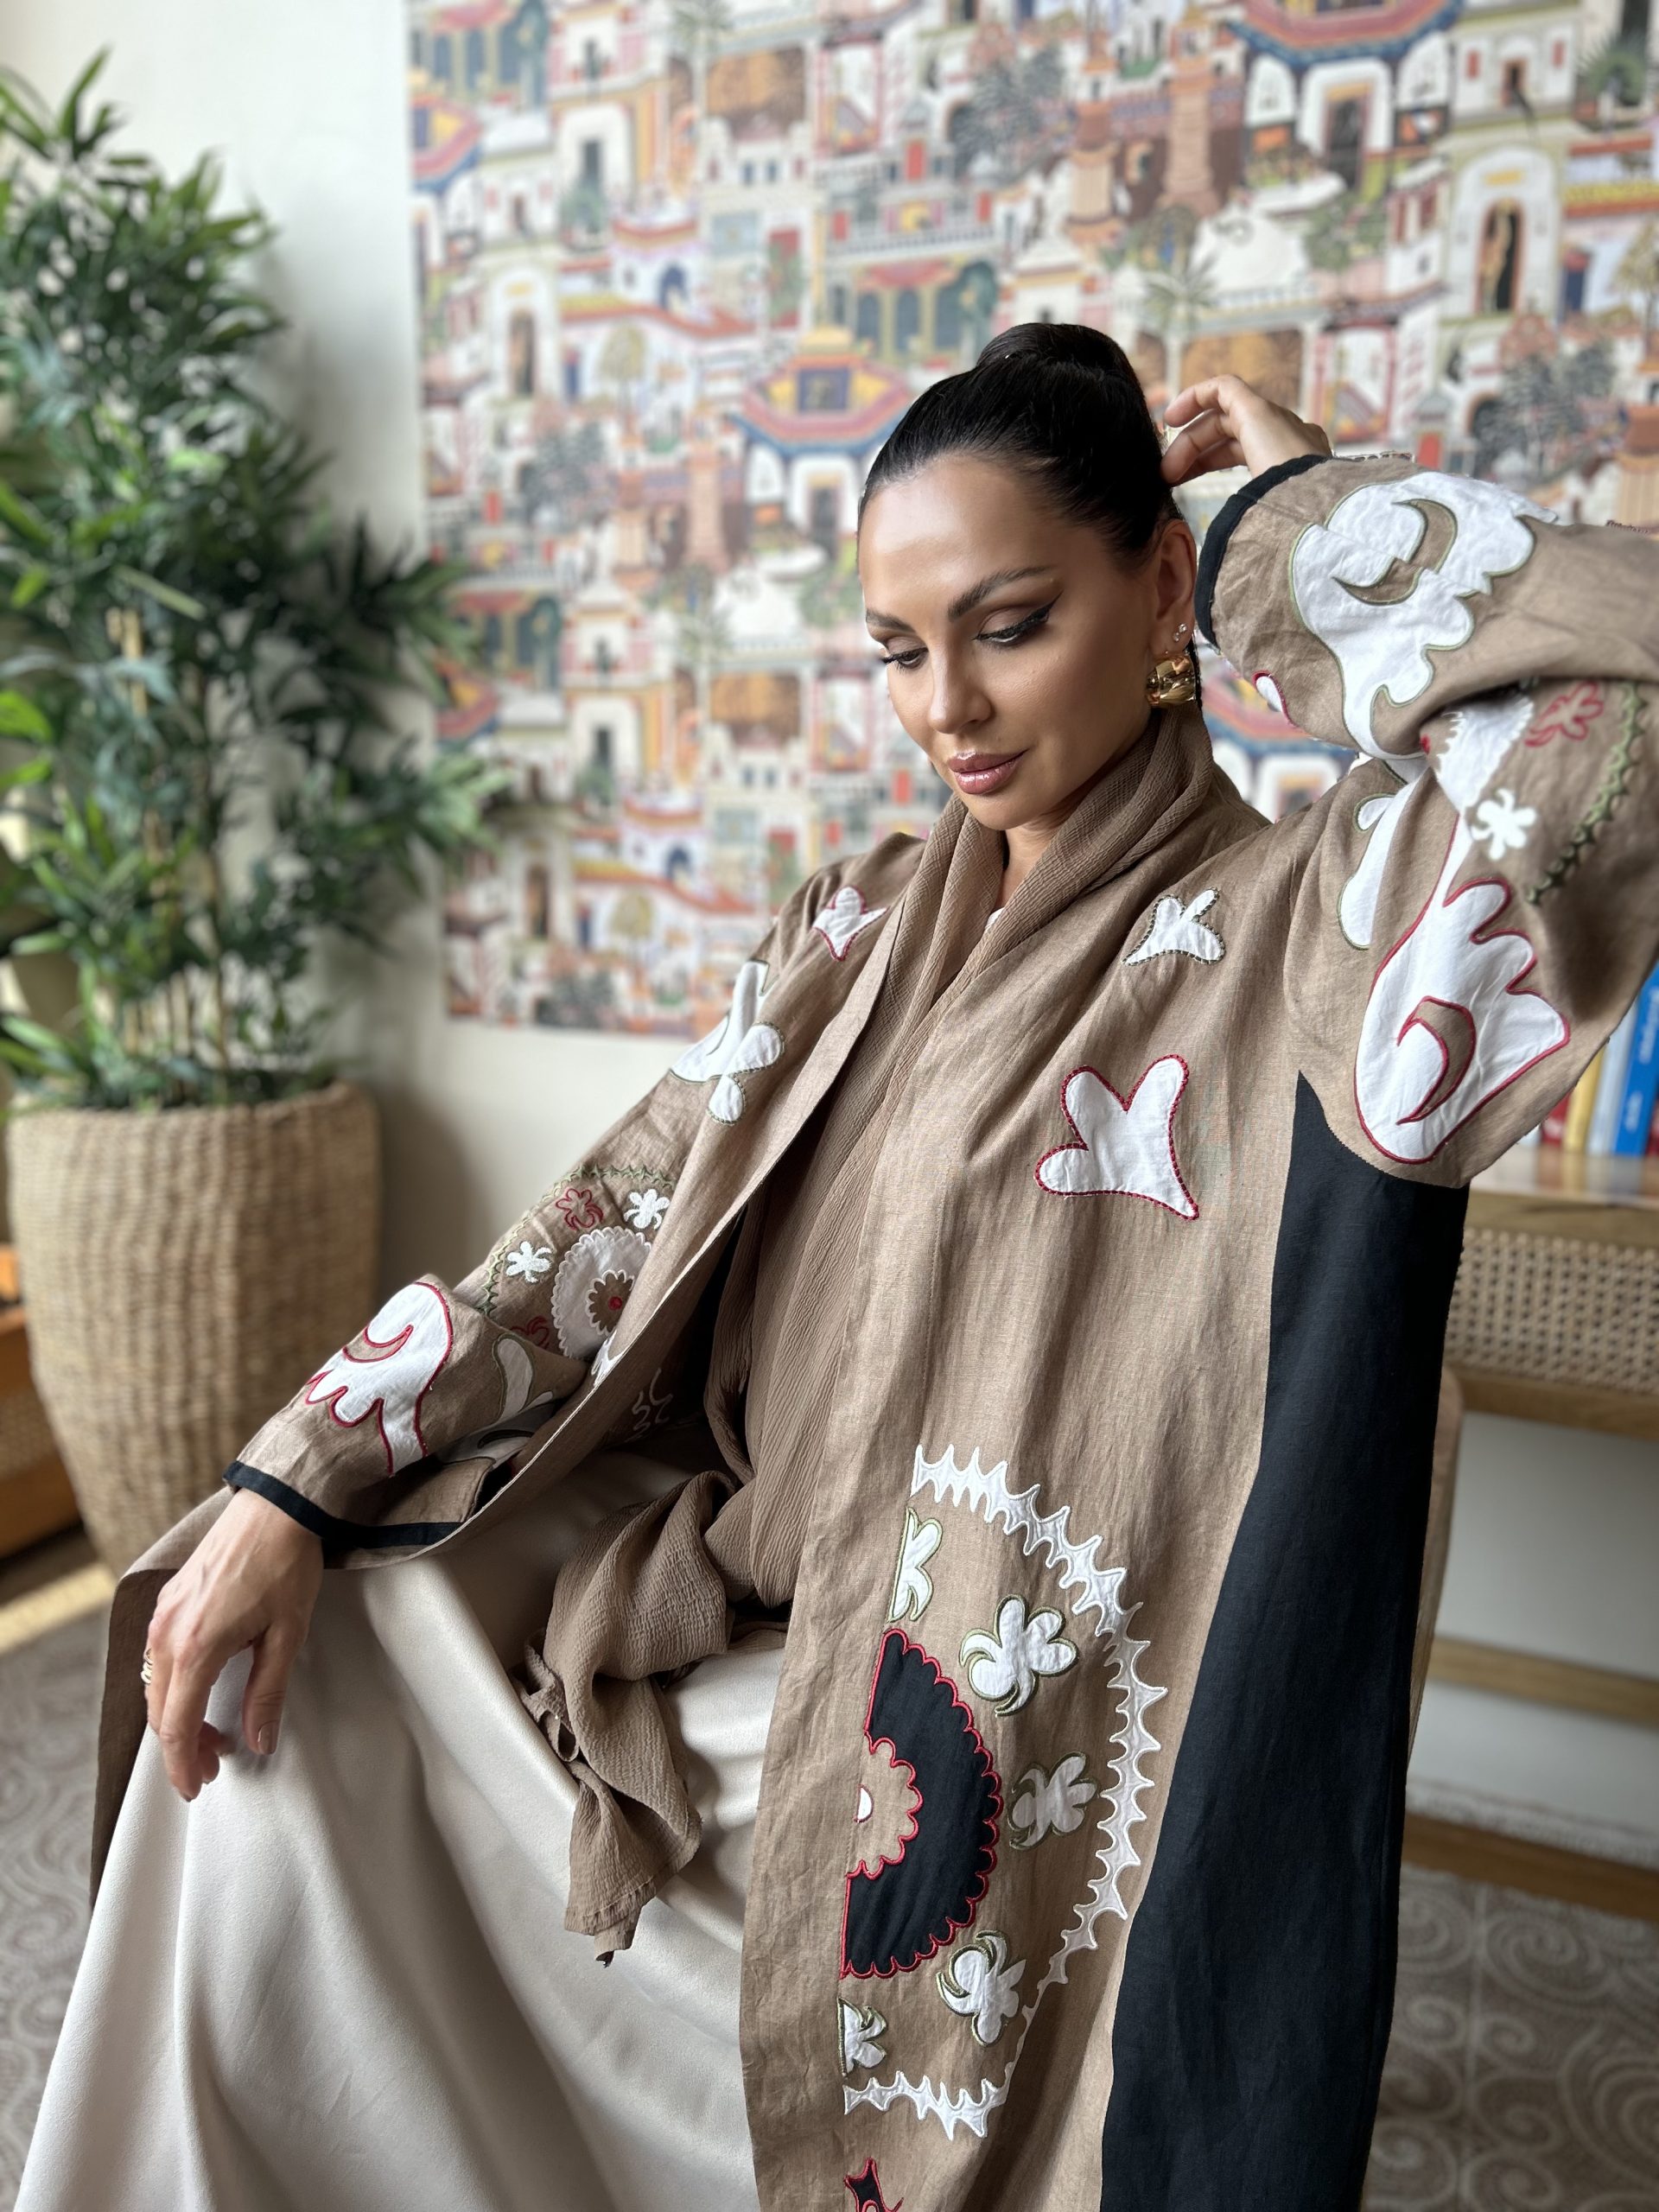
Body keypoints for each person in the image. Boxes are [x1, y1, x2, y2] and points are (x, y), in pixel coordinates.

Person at [19, 326, 1659, 2212]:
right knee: (288, 1673)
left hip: (977, 1731)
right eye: (897, 648)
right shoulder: (855, 928)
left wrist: (1298, 513)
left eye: (1010, 625)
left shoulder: (1319, 938)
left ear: (1164, 587)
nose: (947, 707)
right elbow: (602, 1225)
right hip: (728, 1596)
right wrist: (287, 1481)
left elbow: (1617, 709)